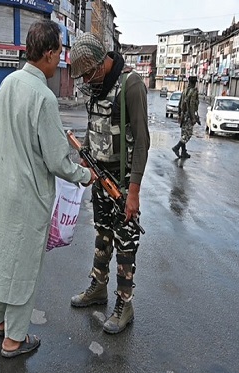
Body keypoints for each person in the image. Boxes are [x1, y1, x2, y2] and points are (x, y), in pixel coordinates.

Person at [0, 20, 95, 359]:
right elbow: (57, 161)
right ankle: (14, 340)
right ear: (48, 53)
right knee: (23, 266)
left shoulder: (8, 84)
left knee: (2, 256)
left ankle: (2, 323)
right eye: (59, 52)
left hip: (3, 187)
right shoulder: (43, 96)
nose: (61, 59)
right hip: (28, 195)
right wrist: (84, 175)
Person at [69, 33, 150, 334]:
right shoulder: (97, 86)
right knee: (102, 233)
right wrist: (85, 156)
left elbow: (141, 143)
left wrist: (134, 192)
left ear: (100, 63)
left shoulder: (131, 85)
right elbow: (93, 126)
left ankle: (124, 304)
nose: (86, 80)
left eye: (88, 73)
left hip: (123, 180)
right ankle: (98, 287)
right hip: (99, 175)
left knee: (126, 241)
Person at [172, 76, 199, 159]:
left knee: (183, 133)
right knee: (188, 134)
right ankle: (176, 147)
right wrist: (193, 118)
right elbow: (191, 105)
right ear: (194, 83)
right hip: (188, 115)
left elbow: (180, 103)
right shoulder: (193, 92)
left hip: (183, 115)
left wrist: (179, 114)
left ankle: (183, 152)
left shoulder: (184, 91)